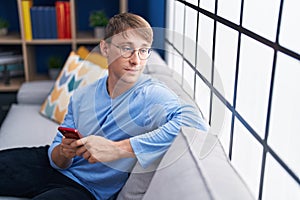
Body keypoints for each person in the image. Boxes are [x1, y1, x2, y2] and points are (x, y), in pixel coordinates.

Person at [0, 13, 208, 200]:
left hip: (86, 190)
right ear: (105, 48)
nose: (136, 60)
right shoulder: (83, 94)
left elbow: (195, 123)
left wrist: (117, 149)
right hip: (46, 163)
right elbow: (56, 155)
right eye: (127, 49)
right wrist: (63, 152)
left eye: (143, 51)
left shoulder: (152, 94)